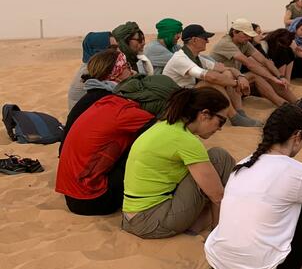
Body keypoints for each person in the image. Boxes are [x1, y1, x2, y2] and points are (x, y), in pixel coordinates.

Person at [204, 104, 302, 269]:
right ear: (297, 136)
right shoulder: (299, 172)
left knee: (287, 200)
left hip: (219, 265)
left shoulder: (243, 164)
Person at [121, 88, 237, 239]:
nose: (220, 128)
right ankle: (219, 230)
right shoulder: (185, 140)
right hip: (152, 221)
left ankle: (204, 224)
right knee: (220, 158)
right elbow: (217, 196)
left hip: (131, 218)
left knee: (206, 171)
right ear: (204, 114)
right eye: (221, 121)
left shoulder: (163, 126)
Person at [57, 87, 154, 216]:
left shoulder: (105, 102)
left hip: (71, 195)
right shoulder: (126, 113)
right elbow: (160, 128)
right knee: (147, 148)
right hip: (94, 199)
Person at [162, 24, 261, 127]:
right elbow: (210, 77)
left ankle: (239, 113)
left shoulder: (197, 58)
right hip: (175, 101)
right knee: (210, 83)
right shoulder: (180, 58)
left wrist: (241, 77)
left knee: (227, 74)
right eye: (205, 38)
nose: (208, 41)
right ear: (194, 40)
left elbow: (228, 69)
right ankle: (235, 118)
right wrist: (236, 84)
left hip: (187, 95)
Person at [208, 19, 302, 110]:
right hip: (222, 82)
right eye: (246, 35)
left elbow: (264, 60)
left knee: (271, 76)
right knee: (256, 75)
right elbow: (249, 64)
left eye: (249, 35)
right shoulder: (226, 43)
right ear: (235, 32)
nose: (249, 38)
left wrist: (279, 76)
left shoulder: (244, 43)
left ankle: (296, 102)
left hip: (236, 79)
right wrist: (273, 78)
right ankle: (284, 105)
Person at [62, 48, 133, 142]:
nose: (131, 71)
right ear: (114, 73)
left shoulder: (95, 94)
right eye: (126, 66)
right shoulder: (107, 100)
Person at [67, 31, 115, 111]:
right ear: (99, 50)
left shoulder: (92, 67)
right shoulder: (91, 72)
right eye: (113, 48)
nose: (118, 51)